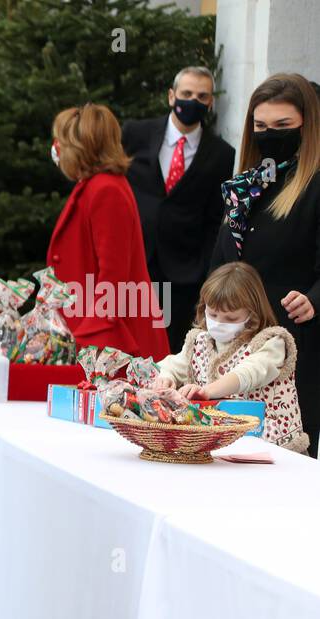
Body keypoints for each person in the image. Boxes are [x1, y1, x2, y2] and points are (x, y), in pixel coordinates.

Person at [209, 73, 320, 456]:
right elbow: (219, 268)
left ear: (308, 125)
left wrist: (314, 299)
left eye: (283, 126)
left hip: (290, 354)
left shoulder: (314, 186)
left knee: (281, 462)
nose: (270, 134)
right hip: (230, 350)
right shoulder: (245, 188)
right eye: (260, 126)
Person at [122, 66, 236, 353]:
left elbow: (214, 218)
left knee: (169, 352)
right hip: (134, 263)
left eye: (201, 96)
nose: (192, 101)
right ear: (171, 96)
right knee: (129, 346)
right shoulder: (135, 133)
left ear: (210, 103)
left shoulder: (222, 153)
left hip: (183, 275)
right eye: (186, 93)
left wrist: (203, 271)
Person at [47, 103, 170, 359]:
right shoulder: (98, 184)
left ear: (80, 147)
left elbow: (113, 278)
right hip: (103, 330)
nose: (56, 148)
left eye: (61, 141)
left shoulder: (105, 189)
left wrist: (88, 339)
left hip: (113, 339)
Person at [154, 262, 306, 453]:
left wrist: (207, 392)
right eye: (213, 314)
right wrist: (166, 378)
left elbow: (248, 373)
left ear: (252, 313)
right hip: (223, 447)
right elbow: (174, 365)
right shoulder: (199, 340)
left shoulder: (271, 342)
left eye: (231, 318)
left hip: (274, 449)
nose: (218, 323)